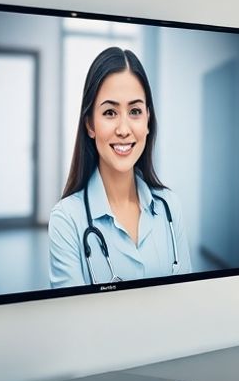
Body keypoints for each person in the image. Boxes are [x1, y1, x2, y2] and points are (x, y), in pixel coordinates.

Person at [49, 47, 192, 287]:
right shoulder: (66, 220)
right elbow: (72, 322)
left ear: (148, 120)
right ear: (90, 125)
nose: (124, 129)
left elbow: (189, 303)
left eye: (135, 111)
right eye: (110, 112)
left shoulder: (170, 206)